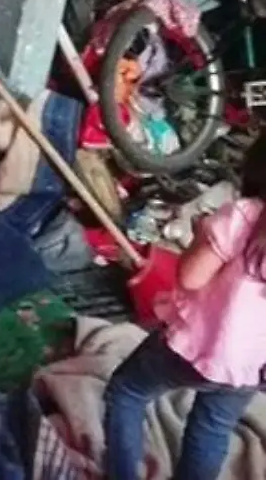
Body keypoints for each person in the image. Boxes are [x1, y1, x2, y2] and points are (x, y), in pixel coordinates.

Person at [104, 135, 266, 479]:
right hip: (252, 367)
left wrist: (202, 236)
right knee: (213, 427)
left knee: (126, 393)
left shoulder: (244, 217)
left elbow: (191, 278)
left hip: (199, 347)